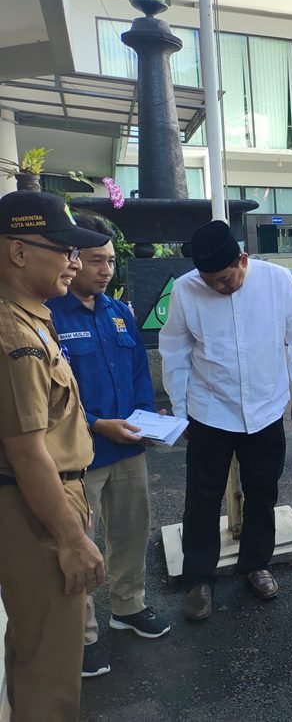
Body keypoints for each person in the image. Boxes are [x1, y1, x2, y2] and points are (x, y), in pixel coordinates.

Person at [160, 220, 292, 620]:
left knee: (262, 490)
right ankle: (199, 577)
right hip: (210, 410)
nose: (218, 287)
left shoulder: (277, 281)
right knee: (202, 495)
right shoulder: (185, 289)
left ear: (243, 259)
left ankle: (256, 564)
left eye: (225, 278)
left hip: (265, 407)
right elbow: (175, 352)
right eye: (210, 280)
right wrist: (182, 413)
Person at [47, 211, 169, 679]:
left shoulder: (118, 313)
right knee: (82, 543)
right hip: (81, 455)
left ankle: (129, 606)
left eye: (112, 261)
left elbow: (139, 371)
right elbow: (55, 396)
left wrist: (146, 416)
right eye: (97, 261)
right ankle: (82, 636)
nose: (106, 270)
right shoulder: (51, 315)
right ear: (73, 261)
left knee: (131, 531)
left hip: (129, 448)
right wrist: (100, 425)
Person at [0, 190, 108, 719]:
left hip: (45, 498)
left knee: (36, 650)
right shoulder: (12, 333)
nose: (73, 261)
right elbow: (26, 453)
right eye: (62, 248)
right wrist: (71, 537)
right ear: (17, 252)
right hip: (35, 509)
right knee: (52, 669)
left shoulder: (31, 317)